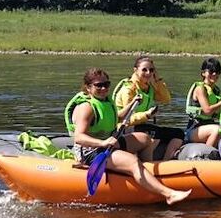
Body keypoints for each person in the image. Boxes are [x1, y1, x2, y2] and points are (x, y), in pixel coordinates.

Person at [64, 68, 191, 205]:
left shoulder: (106, 101)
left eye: (106, 84)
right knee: (132, 160)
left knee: (145, 139)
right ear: (88, 87)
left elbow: (116, 117)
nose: (103, 88)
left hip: (109, 144)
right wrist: (103, 143)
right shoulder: (86, 108)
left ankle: (147, 177)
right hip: (91, 151)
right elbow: (79, 137)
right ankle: (168, 194)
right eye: (98, 85)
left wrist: (132, 104)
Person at [112, 55, 184, 161]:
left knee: (179, 133)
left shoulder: (149, 88)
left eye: (151, 70)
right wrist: (147, 115)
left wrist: (158, 79)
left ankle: (166, 162)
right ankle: (142, 160)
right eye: (144, 70)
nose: (148, 73)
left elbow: (166, 99)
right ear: (135, 70)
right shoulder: (129, 89)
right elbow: (127, 118)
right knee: (156, 133)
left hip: (142, 126)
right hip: (125, 127)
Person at [185, 57, 221, 147]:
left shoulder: (216, 91)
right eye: (211, 71)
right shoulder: (200, 89)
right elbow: (207, 111)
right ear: (203, 73)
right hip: (194, 128)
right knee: (217, 130)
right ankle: (206, 156)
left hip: (209, 125)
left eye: (217, 71)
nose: (214, 74)